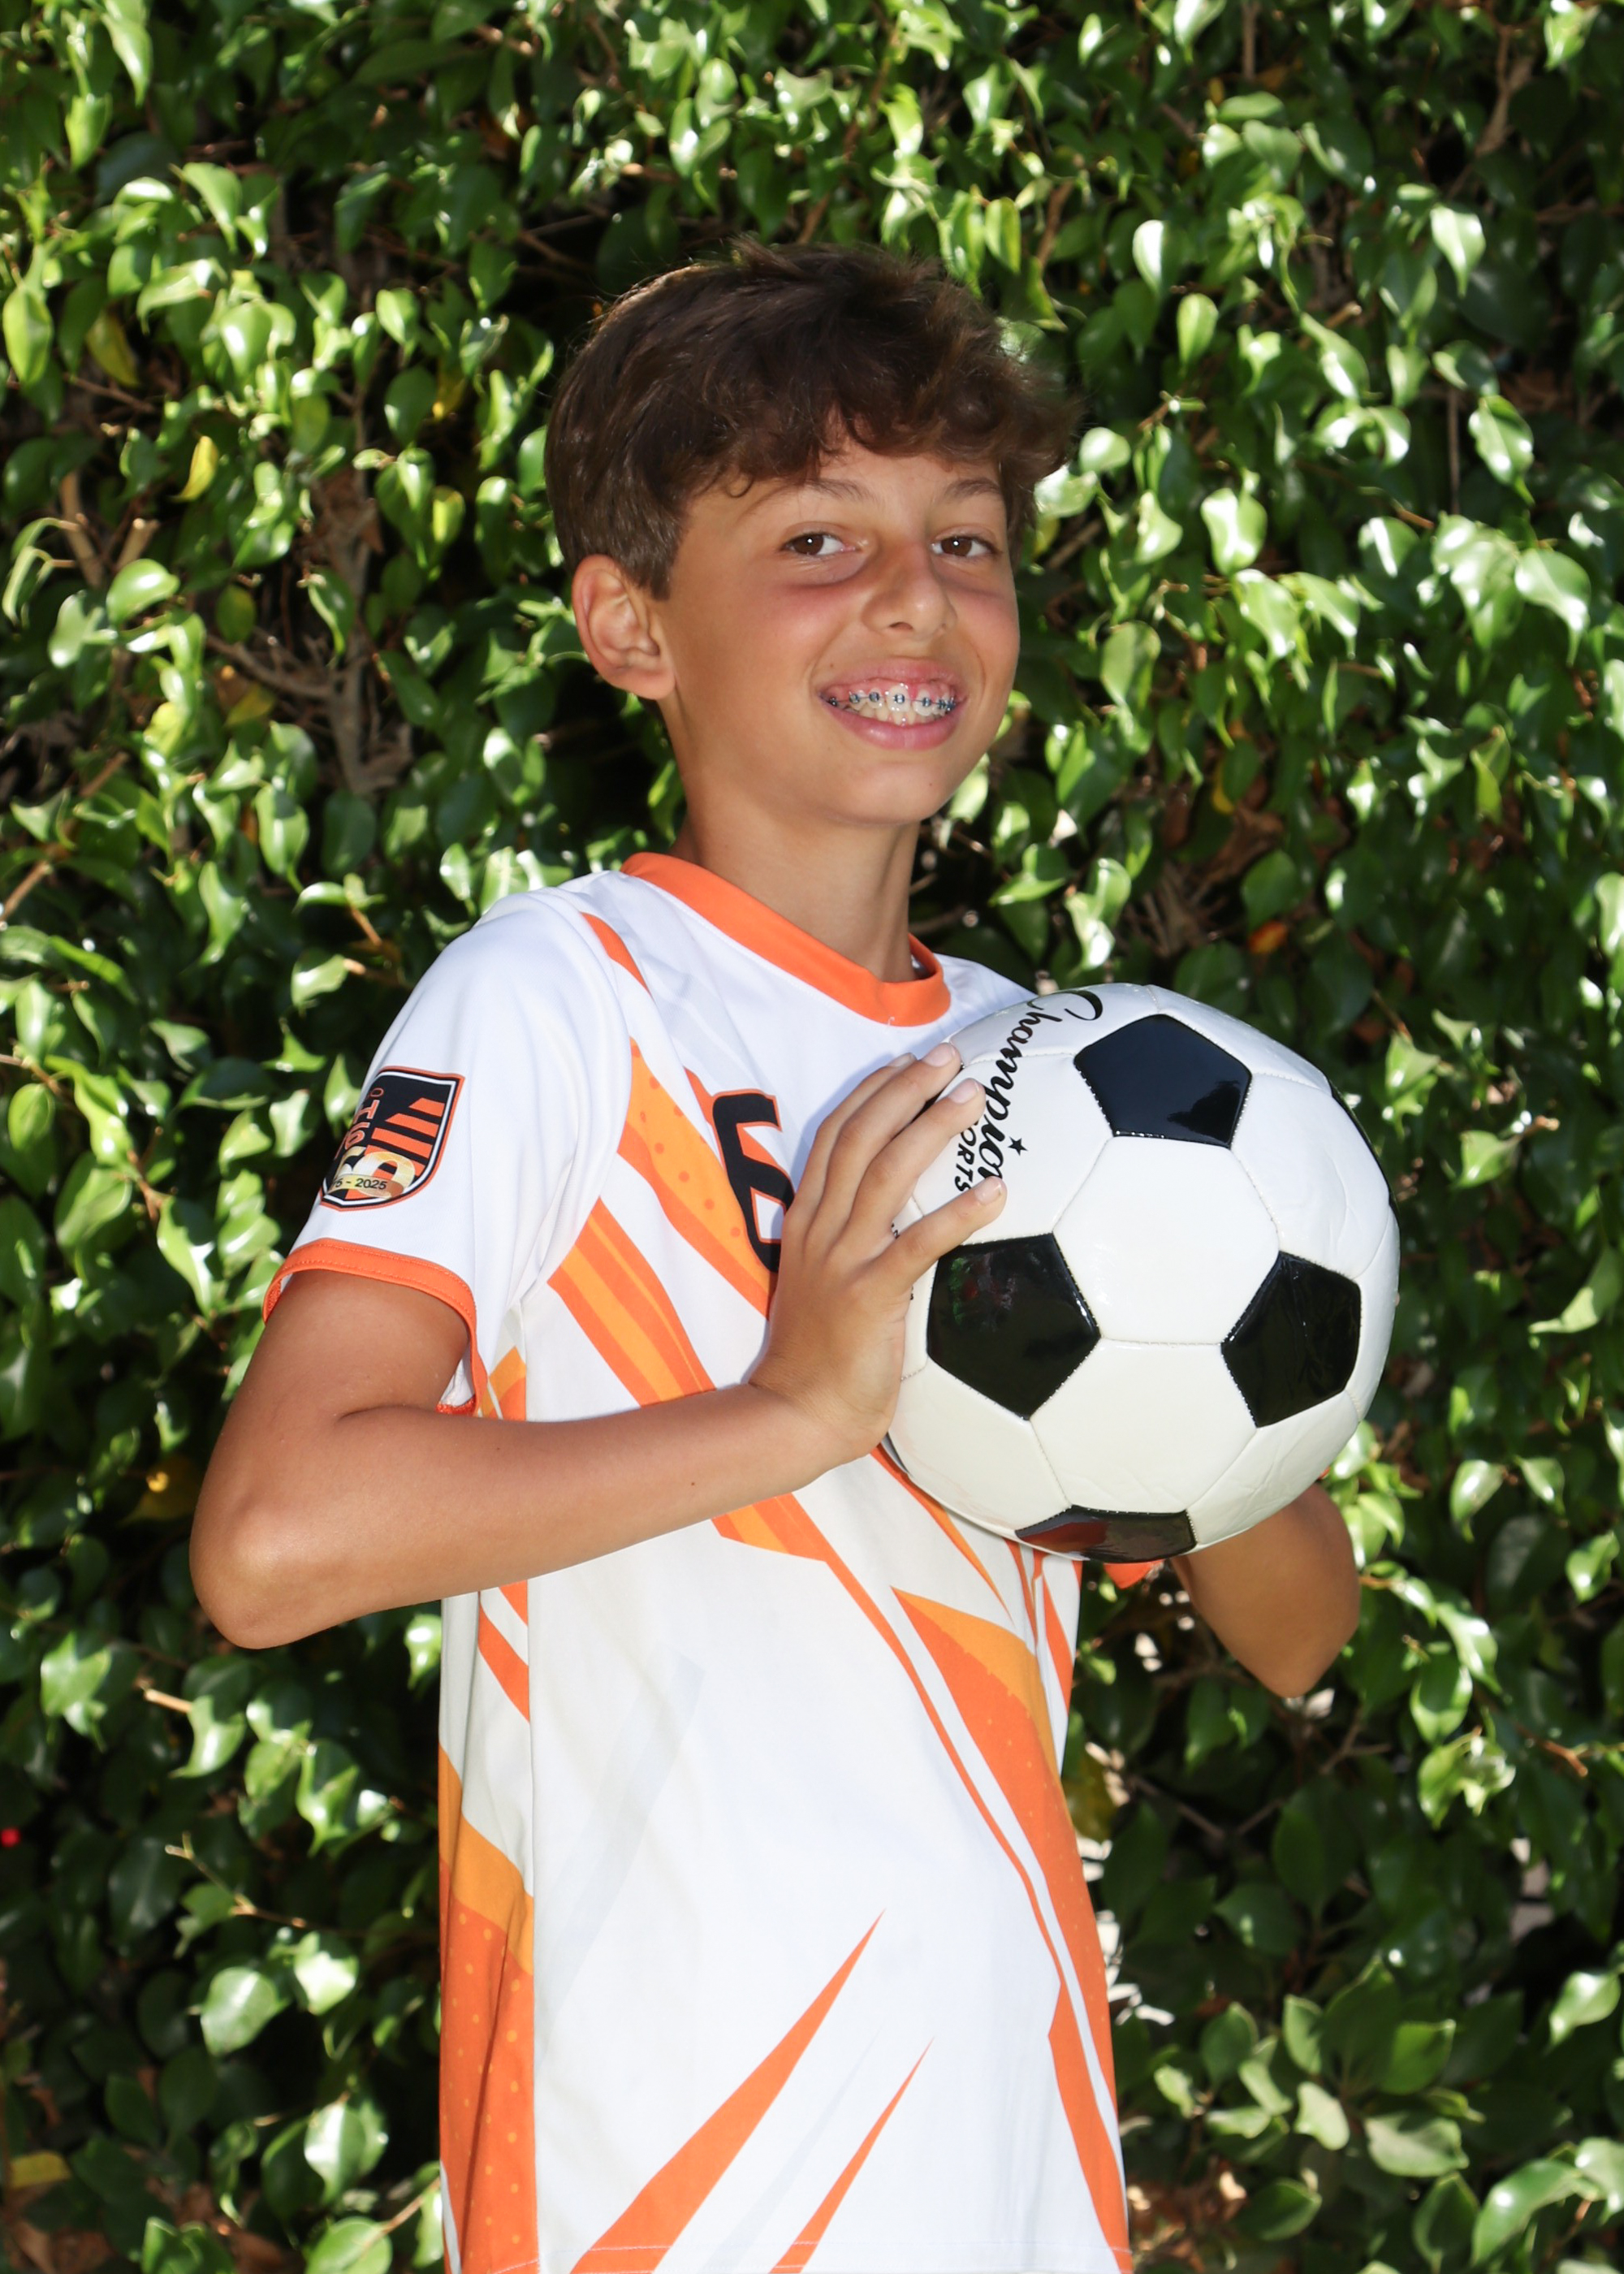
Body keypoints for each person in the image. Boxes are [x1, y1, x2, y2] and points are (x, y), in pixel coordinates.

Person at [192, 241, 1360, 2274]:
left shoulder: (1057, 1076)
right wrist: (793, 1412)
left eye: (966, 540)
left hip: (1010, 2156)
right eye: (820, 539)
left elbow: (1296, 1627)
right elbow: (273, 1542)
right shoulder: (565, 997)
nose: (914, 597)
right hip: (668, 2174)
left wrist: (1204, 1331)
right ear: (629, 623)